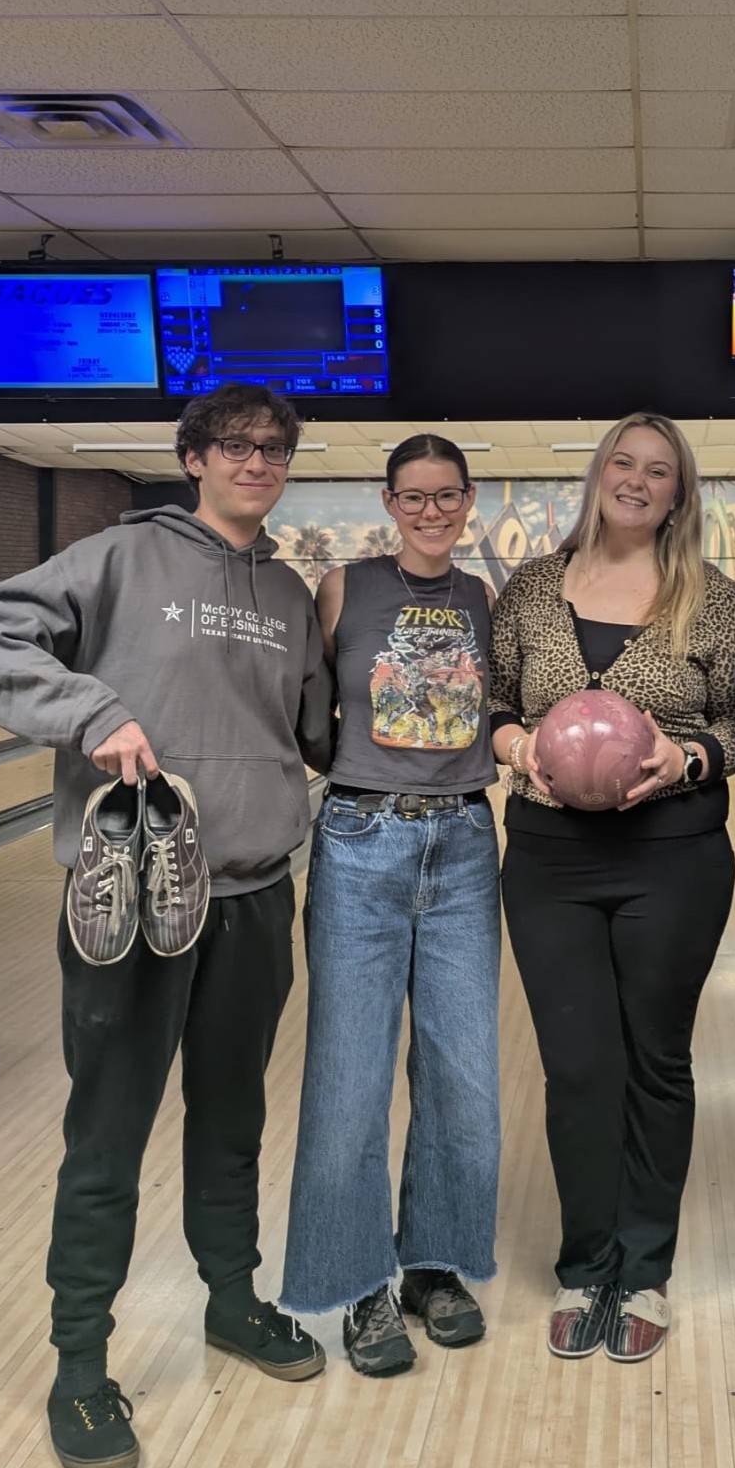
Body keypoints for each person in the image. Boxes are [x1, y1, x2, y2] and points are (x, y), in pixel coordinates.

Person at [0, 383, 333, 1468]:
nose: (256, 463)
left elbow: (310, 728)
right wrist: (92, 712)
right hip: (131, 902)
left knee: (231, 1121)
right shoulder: (116, 559)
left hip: (256, 892)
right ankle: (81, 1364)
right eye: (235, 446)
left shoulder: (284, 587)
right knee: (108, 1135)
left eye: (274, 449)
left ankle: (232, 1302)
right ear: (193, 458)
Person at [489, 412, 735, 1363]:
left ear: (680, 492)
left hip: (672, 855)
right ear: (600, 475)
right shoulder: (530, 588)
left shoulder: (711, 599)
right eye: (623, 464)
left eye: (660, 470)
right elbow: (495, 706)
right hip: (551, 855)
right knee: (578, 1067)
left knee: (656, 1062)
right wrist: (517, 746)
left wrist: (686, 755)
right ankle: (584, 1261)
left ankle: (644, 1267)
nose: (637, 481)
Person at [281, 435, 501, 1377]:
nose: (429, 511)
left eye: (445, 496)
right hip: (363, 840)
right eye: (412, 497)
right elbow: (313, 716)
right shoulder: (343, 587)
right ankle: (360, 1282)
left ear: (467, 500)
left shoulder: (483, 599)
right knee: (350, 1076)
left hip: (462, 844)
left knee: (463, 1076)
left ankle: (434, 1265)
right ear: (388, 500)